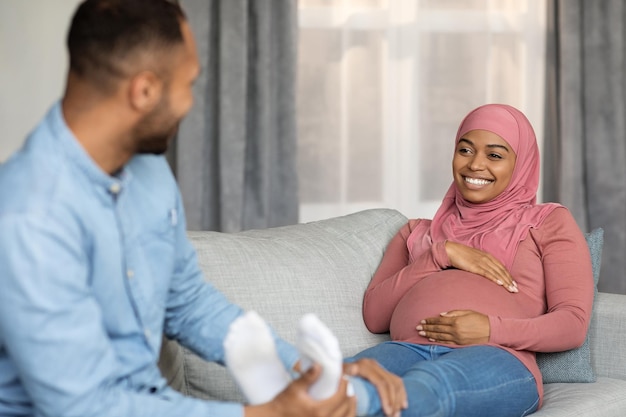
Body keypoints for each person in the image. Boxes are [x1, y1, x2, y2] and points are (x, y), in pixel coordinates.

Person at [0, 1, 406, 416]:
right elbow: (86, 407)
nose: (191, 102)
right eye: (188, 83)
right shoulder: (28, 219)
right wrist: (267, 414)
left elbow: (187, 300)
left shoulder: (150, 174)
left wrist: (311, 372)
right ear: (144, 91)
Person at [348, 103, 595, 416]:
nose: (475, 165)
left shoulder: (548, 222)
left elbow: (572, 324)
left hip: (498, 356)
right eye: (465, 150)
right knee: (338, 382)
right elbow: (375, 315)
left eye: (494, 155)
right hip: (408, 348)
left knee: (426, 386)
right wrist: (441, 253)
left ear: (521, 164)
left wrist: (490, 330)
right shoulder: (415, 232)